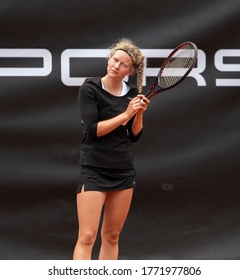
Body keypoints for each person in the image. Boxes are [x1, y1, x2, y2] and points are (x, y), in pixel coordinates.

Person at [73, 38, 149, 260]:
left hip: (123, 171)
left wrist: (139, 114)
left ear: (130, 71)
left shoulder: (132, 93)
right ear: (109, 59)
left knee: (112, 236)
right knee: (87, 237)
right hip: (94, 170)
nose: (116, 66)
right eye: (115, 60)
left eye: (123, 64)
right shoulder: (90, 89)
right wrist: (126, 114)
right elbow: (92, 130)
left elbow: (135, 136)